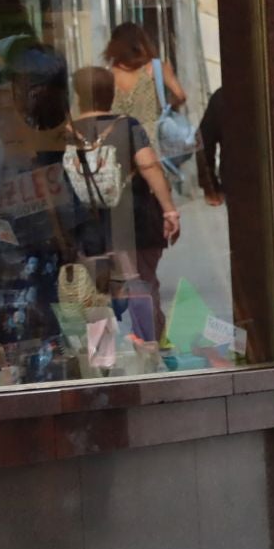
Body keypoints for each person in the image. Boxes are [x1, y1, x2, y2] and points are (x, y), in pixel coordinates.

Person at [67, 66, 181, 342]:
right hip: (133, 216)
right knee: (140, 282)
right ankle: (150, 341)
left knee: (94, 293)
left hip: (89, 223)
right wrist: (169, 209)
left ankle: (101, 354)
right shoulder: (127, 125)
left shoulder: (67, 132)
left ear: (79, 95)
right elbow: (149, 166)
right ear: (111, 93)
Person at [103, 22, 187, 145]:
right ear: (141, 44)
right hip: (150, 142)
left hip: (120, 143)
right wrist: (166, 105)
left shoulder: (108, 75)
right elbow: (180, 95)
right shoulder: (155, 67)